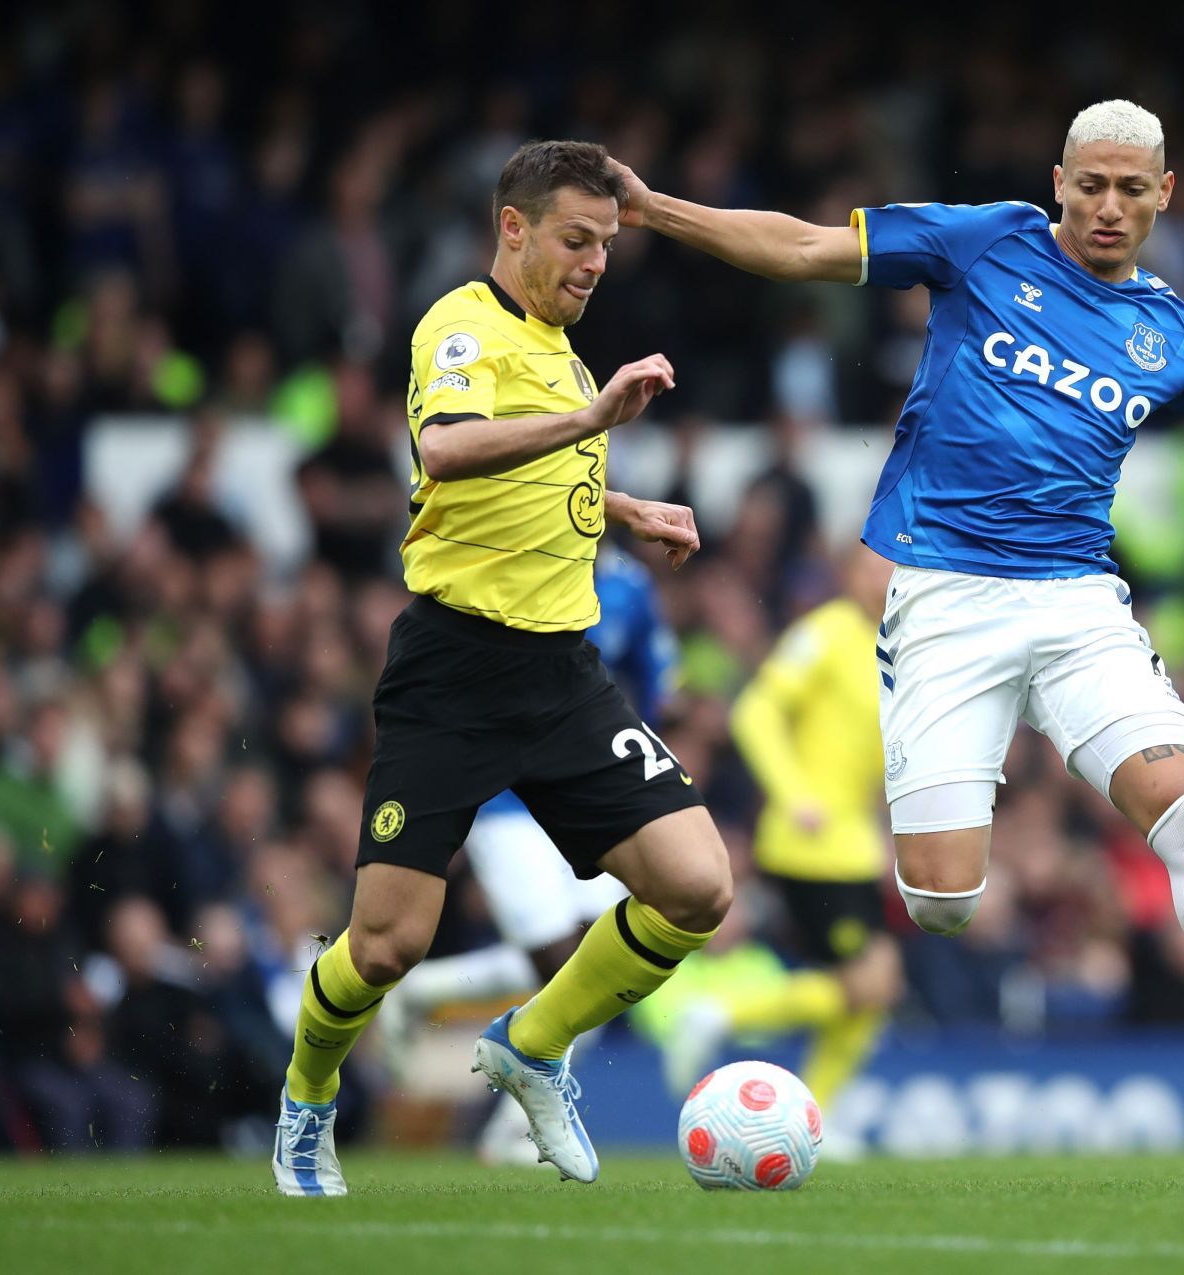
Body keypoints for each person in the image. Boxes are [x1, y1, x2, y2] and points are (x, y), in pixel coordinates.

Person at [613, 100, 1184, 1142]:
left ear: (1166, 196)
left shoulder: (1179, 336)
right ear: (1059, 181)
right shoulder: (983, 242)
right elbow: (800, 247)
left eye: (1132, 189)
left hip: (1076, 604)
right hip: (943, 600)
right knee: (943, 902)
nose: (1109, 207)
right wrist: (656, 210)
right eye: (1091, 185)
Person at [271, 140, 731, 1197]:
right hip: (454, 668)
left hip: (563, 674)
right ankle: (306, 1102)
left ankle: (532, 1045)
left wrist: (622, 511)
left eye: (608, 246)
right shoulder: (463, 324)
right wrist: (594, 418)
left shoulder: (563, 351)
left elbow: (536, 477)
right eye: (577, 240)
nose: (595, 263)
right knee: (385, 948)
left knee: (698, 887)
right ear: (513, 228)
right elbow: (447, 451)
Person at [382, 541, 678, 1165]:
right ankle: (518, 1122)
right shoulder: (511, 566)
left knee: (601, 960)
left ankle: (427, 1000)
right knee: (561, 962)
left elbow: (650, 686)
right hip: (506, 799)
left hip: (589, 788)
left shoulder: (629, 587)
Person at [664, 545, 900, 1112]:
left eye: (894, 568)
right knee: (872, 983)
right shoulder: (824, 633)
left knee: (876, 990)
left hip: (853, 845)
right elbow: (755, 712)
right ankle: (721, 1014)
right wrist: (796, 796)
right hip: (811, 845)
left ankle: (817, 1115)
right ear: (849, 575)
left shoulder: (892, 644)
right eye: (873, 566)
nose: (885, 578)